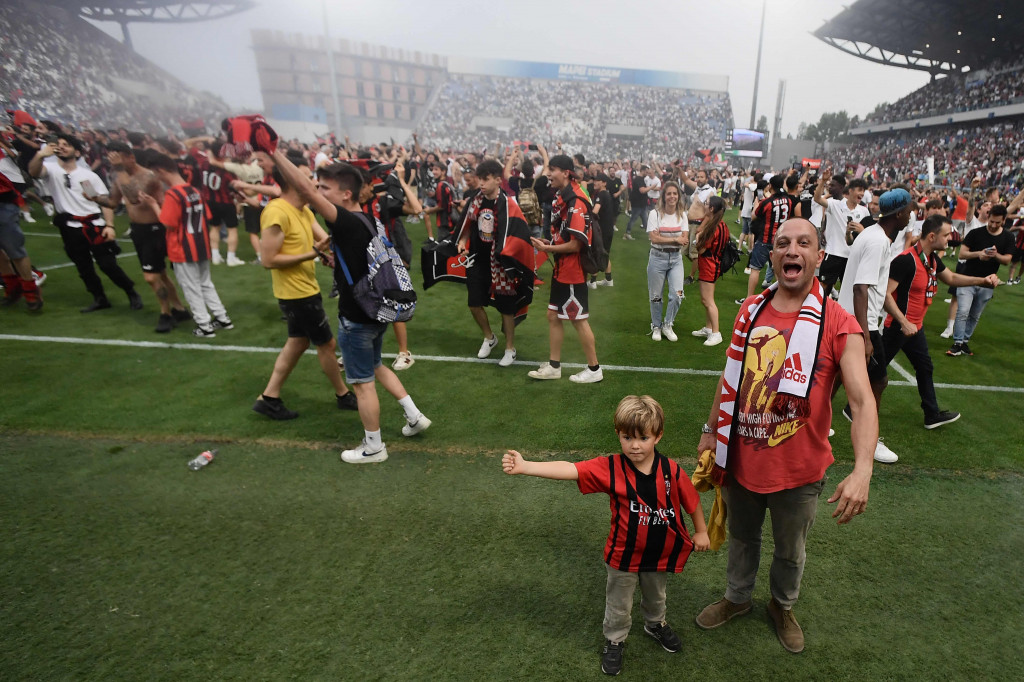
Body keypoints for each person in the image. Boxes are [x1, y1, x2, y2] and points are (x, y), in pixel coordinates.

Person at [694, 217, 876, 654]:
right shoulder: (750, 309)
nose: (792, 250)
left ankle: (781, 605)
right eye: (782, 244)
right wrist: (709, 430)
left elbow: (863, 402)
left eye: (803, 244)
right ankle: (737, 599)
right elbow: (731, 378)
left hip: (799, 469)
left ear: (818, 256)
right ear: (772, 256)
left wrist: (863, 469)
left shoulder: (839, 321)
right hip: (741, 457)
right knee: (741, 537)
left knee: (790, 549)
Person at [501, 395, 710, 676]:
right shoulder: (610, 467)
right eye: (627, 437)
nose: (634, 445)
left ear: (658, 436)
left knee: (656, 595)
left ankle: (655, 624)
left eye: (643, 438)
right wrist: (528, 466)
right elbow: (572, 469)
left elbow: (692, 501)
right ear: (618, 435)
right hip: (622, 556)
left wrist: (702, 531)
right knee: (619, 603)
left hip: (659, 554)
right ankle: (615, 639)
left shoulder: (670, 470)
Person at [270, 150, 431, 464]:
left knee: (361, 384)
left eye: (325, 189)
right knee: (375, 366)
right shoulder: (365, 218)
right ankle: (414, 415)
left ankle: (374, 447)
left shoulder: (343, 221)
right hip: (375, 311)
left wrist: (273, 152)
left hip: (357, 317)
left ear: (345, 194)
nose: (318, 193)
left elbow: (302, 189)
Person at [252, 156, 358, 420]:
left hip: (304, 288)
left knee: (297, 342)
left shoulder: (303, 210)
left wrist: (326, 251)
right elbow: (268, 260)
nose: (311, 182)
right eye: (305, 177)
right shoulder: (277, 211)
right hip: (296, 293)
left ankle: (269, 397)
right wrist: (312, 254)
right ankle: (343, 394)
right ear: (292, 182)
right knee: (327, 343)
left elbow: (323, 239)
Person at [881, 214, 997, 428]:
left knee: (925, 368)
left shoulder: (932, 259)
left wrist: (983, 281)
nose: (949, 239)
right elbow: (885, 295)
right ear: (932, 236)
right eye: (946, 235)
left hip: (916, 328)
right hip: (899, 327)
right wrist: (904, 322)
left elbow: (951, 278)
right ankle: (851, 407)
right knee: (876, 371)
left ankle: (931, 415)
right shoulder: (906, 260)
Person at [28, 133, 142, 313]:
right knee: (83, 267)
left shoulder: (86, 175)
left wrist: (110, 226)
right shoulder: (50, 169)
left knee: (107, 264)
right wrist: (41, 155)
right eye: (60, 144)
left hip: (93, 224)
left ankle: (131, 292)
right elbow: (33, 172)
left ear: (78, 152)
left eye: (67, 144)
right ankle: (99, 298)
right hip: (69, 227)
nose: (62, 147)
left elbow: (102, 201)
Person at [92, 142, 191, 332]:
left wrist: (119, 170)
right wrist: (95, 198)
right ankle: (179, 308)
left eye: (117, 158)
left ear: (130, 157)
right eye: (111, 159)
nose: (113, 162)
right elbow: (113, 201)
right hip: (139, 230)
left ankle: (166, 313)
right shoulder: (119, 176)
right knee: (160, 273)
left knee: (151, 277)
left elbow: (133, 198)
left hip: (157, 229)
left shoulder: (148, 176)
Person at [138, 152, 233, 337]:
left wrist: (154, 205)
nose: (157, 178)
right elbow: (207, 216)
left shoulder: (173, 194)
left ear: (161, 170)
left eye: (156, 174)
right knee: (205, 283)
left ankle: (204, 326)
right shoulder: (194, 190)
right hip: (200, 244)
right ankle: (222, 318)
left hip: (182, 247)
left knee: (191, 287)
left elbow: (168, 223)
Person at [528, 154, 603, 383]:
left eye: (553, 169)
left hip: (572, 269)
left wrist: (548, 249)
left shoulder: (576, 201)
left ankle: (594, 369)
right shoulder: (564, 196)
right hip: (563, 268)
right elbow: (565, 239)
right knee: (553, 315)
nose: (548, 174)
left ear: (567, 173)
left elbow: (576, 244)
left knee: (578, 318)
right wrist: (548, 244)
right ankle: (554, 366)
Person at [456, 159, 535, 367]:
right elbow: (467, 224)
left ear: (498, 180)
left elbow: (519, 231)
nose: (481, 183)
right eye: (479, 179)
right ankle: (489, 338)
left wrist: (508, 254)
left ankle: (510, 349)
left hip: (501, 264)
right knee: (474, 303)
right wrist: (463, 241)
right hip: (477, 260)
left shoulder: (509, 203)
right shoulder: (476, 200)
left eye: (486, 179)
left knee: (506, 308)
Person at [947, 203, 1016, 357]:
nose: (993, 225)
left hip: (988, 282)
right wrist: (979, 254)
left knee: (974, 315)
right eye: (991, 221)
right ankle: (957, 343)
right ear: (988, 217)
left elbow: (1007, 260)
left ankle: (964, 341)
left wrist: (995, 255)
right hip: (968, 278)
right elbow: (962, 254)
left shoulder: (1008, 237)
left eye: (997, 222)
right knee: (963, 311)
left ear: (1004, 221)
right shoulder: (976, 233)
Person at [814, 170, 869, 298]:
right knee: (824, 287)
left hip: (852, 257)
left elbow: (866, 234)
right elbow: (817, 199)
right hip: (833, 253)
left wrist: (862, 230)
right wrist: (823, 181)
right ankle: (818, 311)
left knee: (849, 291)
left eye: (863, 191)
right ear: (850, 190)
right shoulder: (835, 204)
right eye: (859, 189)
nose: (861, 193)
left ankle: (841, 315)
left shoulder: (864, 211)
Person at [645, 181, 688, 341]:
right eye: (669, 193)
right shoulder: (654, 214)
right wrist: (675, 239)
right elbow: (653, 238)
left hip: (676, 259)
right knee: (656, 296)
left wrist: (670, 239)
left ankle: (668, 324)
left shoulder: (682, 214)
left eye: (674, 194)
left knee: (678, 294)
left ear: (678, 196)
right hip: (657, 257)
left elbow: (684, 238)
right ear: (664, 196)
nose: (672, 197)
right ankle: (656, 325)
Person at [691, 196, 731, 347]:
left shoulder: (714, 227)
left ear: (712, 208)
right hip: (712, 264)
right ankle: (709, 328)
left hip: (709, 265)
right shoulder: (721, 225)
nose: (705, 205)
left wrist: (697, 237)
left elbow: (701, 249)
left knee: (708, 301)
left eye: (707, 204)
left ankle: (716, 332)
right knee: (706, 300)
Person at [588, 173, 616, 288]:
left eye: (598, 180)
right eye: (595, 180)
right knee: (605, 253)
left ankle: (593, 282)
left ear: (604, 183)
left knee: (597, 253)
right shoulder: (606, 194)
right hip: (608, 229)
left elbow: (595, 211)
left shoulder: (601, 195)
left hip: (602, 230)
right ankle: (608, 280)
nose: (595, 182)